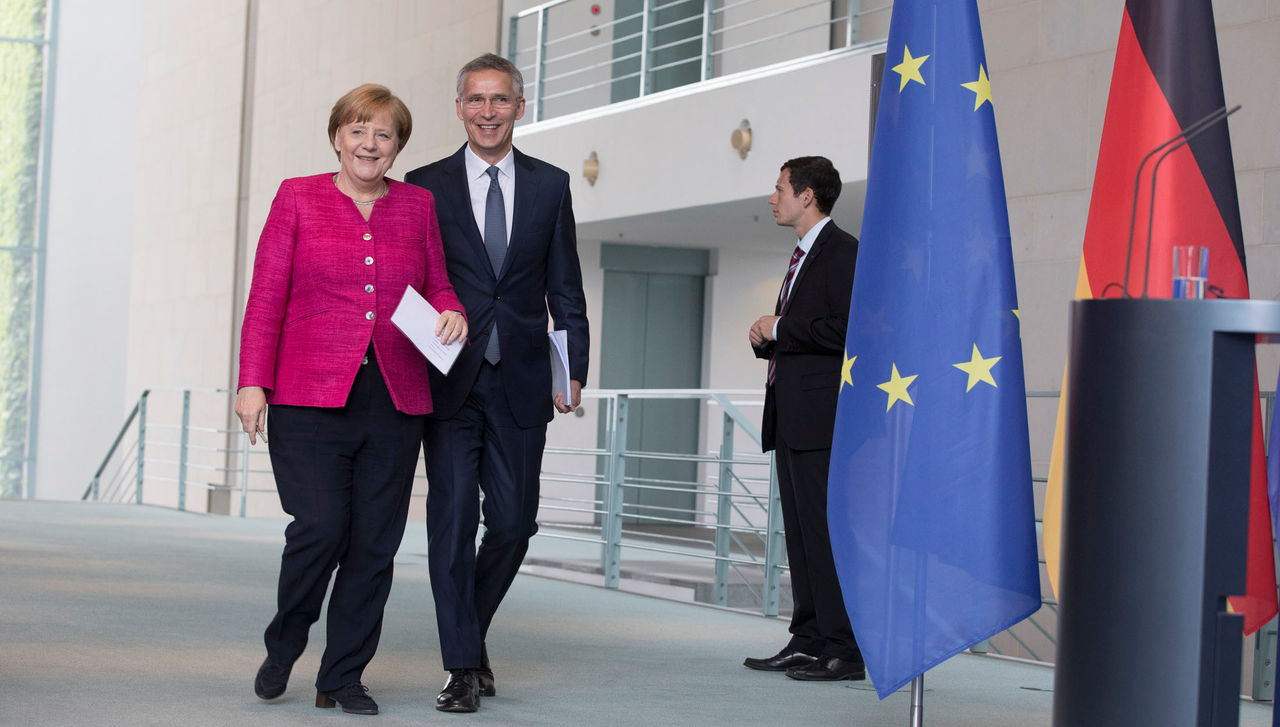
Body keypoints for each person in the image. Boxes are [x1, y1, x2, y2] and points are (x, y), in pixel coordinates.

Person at [235, 83, 467, 716]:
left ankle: (342, 676)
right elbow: (266, 296)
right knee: (319, 528)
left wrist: (452, 311)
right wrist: (252, 380)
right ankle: (285, 643)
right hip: (309, 396)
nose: (370, 144)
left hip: (394, 399)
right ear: (338, 136)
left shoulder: (418, 206)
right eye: (359, 131)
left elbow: (439, 283)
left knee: (373, 545)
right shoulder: (297, 197)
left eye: (383, 134)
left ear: (397, 147)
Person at [404, 53, 589, 713]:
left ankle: (469, 635)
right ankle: (461, 667)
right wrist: (435, 324)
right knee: (452, 523)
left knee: (513, 524)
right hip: (449, 383)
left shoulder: (550, 184)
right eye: (476, 99)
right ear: (459, 107)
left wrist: (572, 372)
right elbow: (406, 287)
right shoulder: (422, 186)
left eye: (500, 100)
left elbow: (565, 289)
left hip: (523, 382)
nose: (488, 111)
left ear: (519, 106)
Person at [744, 156, 864, 681]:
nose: (773, 198)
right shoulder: (801, 255)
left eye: (779, 189)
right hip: (792, 415)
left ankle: (844, 649)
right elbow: (799, 334)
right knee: (800, 534)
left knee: (823, 534)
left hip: (823, 419)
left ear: (807, 195)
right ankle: (810, 637)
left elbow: (848, 330)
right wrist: (766, 337)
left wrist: (782, 327)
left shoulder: (843, 253)